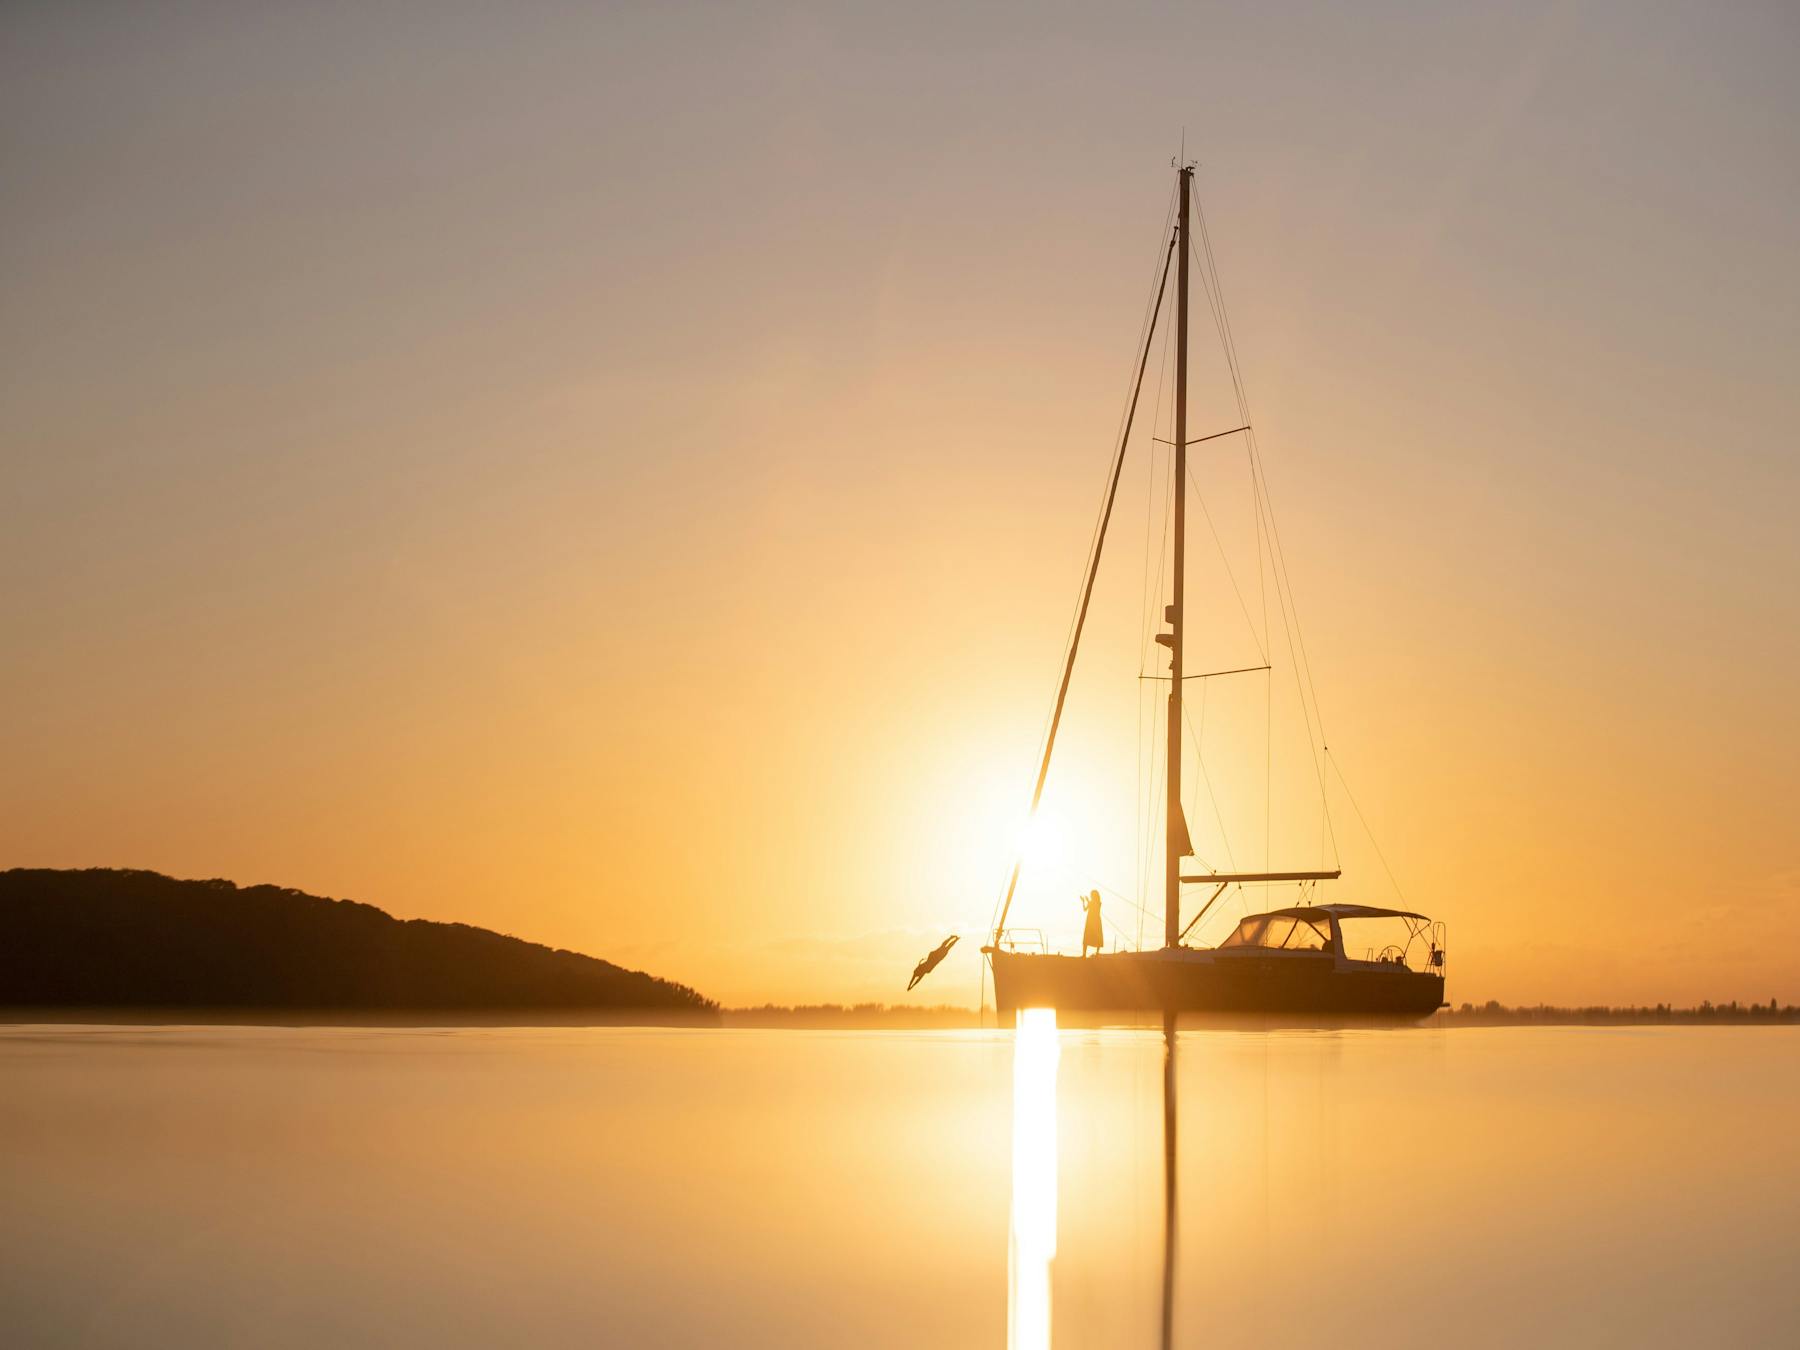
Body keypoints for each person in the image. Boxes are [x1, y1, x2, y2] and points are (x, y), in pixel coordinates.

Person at [1081, 890, 1104, 956]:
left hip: (1095, 921)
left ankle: (1097, 953)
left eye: (1092, 895)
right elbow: (1085, 909)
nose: (1091, 896)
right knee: (1086, 937)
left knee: (1097, 936)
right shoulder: (1090, 902)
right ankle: (1084, 954)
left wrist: (1088, 901)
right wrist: (1083, 902)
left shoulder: (1099, 903)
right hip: (1090, 920)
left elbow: (1095, 908)